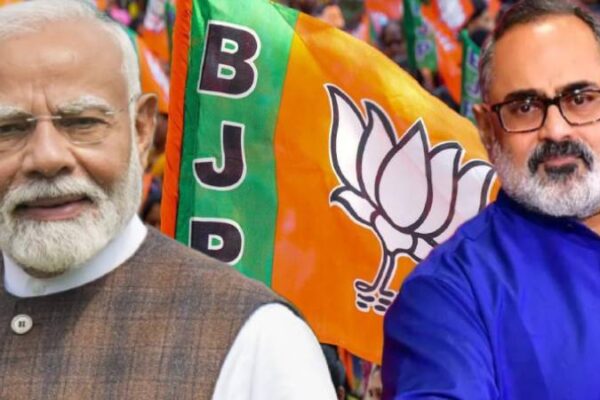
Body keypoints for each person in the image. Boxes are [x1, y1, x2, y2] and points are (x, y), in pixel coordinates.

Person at [0, 1, 337, 398]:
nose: (47, 158)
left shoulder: (258, 341)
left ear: (142, 130)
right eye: (8, 129)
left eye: (82, 123)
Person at [382, 0, 600, 398]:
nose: (556, 130)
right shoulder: (449, 296)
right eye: (524, 108)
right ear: (486, 128)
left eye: (581, 99)